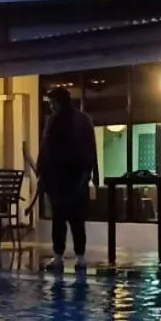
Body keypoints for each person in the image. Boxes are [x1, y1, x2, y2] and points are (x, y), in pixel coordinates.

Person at [37, 87, 97, 271]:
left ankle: (65, 257)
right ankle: (74, 257)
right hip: (67, 177)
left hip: (67, 177)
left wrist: (43, 171)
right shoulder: (80, 120)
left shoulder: (62, 121)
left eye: (53, 103)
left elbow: (47, 149)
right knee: (70, 219)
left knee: (65, 219)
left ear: (59, 102)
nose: (52, 106)